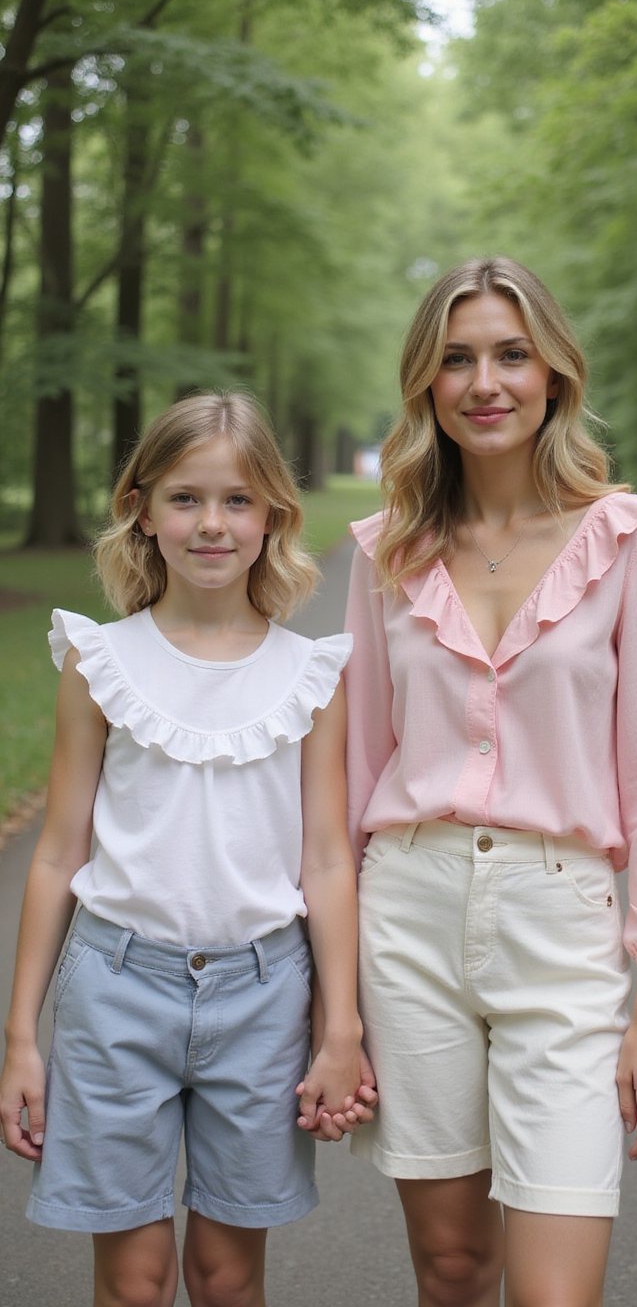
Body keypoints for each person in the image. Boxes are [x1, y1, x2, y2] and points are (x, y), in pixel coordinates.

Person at [343, 258, 637, 1307]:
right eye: (456, 359)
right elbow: (351, 777)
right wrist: (332, 1002)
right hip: (406, 918)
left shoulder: (632, 543)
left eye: (511, 355)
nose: (485, 383)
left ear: (554, 373)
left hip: (562, 930)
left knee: (557, 1293)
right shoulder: (388, 554)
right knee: (453, 1270)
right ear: (425, 383)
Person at [0, 390, 375, 1307]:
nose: (212, 523)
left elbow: (327, 862)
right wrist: (20, 1039)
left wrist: (341, 1028)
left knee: (225, 1276)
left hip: (263, 998)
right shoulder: (100, 662)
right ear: (141, 510)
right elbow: (56, 853)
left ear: (273, 516)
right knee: (134, 1282)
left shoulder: (310, 676)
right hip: (116, 991)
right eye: (185, 498)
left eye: (238, 500)